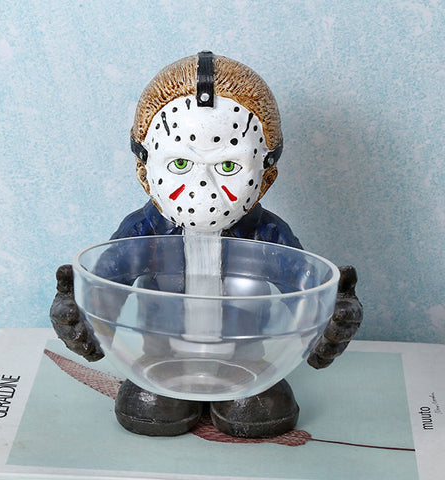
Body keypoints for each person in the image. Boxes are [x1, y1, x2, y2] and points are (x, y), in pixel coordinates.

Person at [50, 52, 362, 438]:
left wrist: (330, 315)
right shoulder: (141, 232)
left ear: (266, 177)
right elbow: (105, 289)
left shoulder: (268, 235)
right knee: (151, 407)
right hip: (159, 361)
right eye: (180, 164)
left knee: (257, 412)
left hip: (247, 363)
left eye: (228, 166)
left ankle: (244, 394)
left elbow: (304, 290)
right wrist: (82, 314)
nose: (203, 187)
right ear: (145, 172)